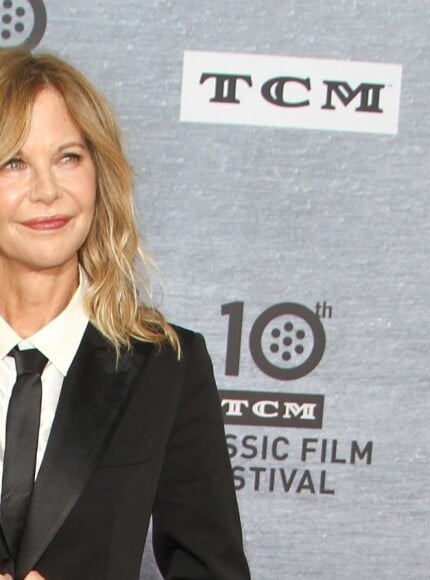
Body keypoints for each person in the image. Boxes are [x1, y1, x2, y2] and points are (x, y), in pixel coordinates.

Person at [0, 49, 251, 580]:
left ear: (99, 172)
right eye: (14, 163)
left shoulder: (166, 368)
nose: (47, 190)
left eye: (68, 157)